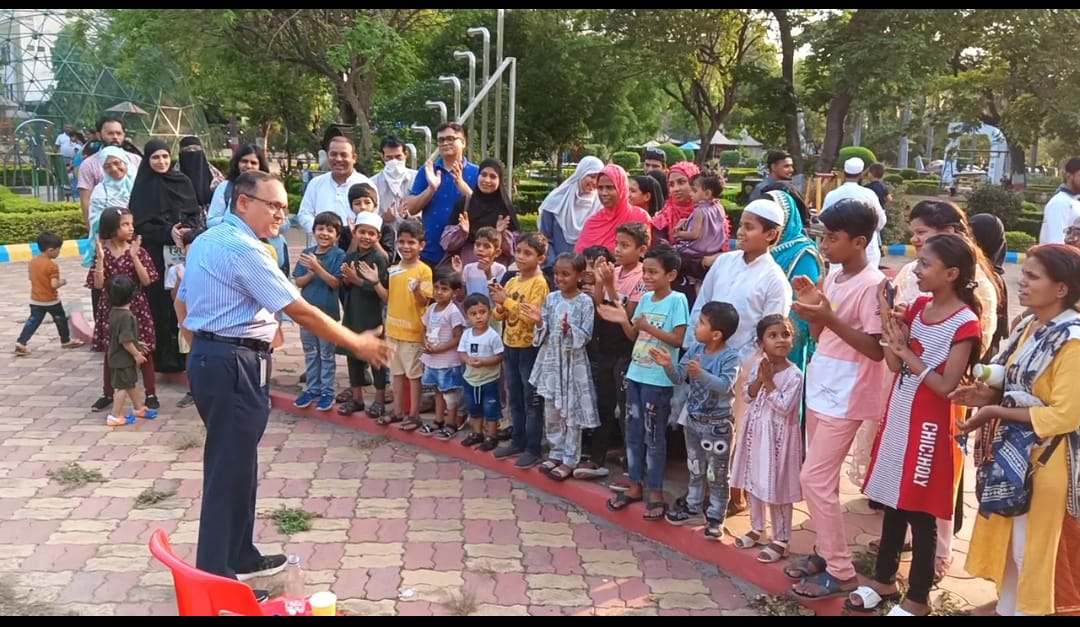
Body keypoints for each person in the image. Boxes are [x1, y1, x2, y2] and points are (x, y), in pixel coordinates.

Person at [174, 170, 391, 594]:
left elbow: (182, 301)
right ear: (241, 202)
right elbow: (302, 311)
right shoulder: (243, 250)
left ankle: (239, 552)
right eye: (271, 205)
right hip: (231, 363)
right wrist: (358, 345)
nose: (280, 214)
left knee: (240, 463)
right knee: (226, 468)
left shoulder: (206, 240)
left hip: (218, 358)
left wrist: (205, 345)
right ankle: (216, 578)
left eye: (283, 207)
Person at [953, 244, 1080, 616]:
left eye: (1033, 277)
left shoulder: (1072, 341)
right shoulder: (1030, 326)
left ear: (1061, 289)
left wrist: (995, 408)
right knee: (1013, 548)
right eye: (1024, 274)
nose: (1021, 284)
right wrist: (987, 392)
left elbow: (1066, 416)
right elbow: (1014, 380)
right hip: (1016, 457)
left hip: (1045, 460)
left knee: (1030, 553)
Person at [655, 301, 741, 539]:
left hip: (718, 426)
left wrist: (700, 374)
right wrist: (667, 366)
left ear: (716, 334)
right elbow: (679, 376)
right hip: (693, 422)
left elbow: (725, 386)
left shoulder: (730, 357)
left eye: (702, 322)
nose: (696, 324)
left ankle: (716, 518)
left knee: (718, 473)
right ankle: (693, 508)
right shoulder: (695, 350)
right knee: (695, 468)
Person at [730, 315, 805, 564]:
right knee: (754, 482)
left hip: (779, 439)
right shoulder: (761, 366)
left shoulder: (795, 375)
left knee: (778, 488)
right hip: (756, 434)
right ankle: (757, 527)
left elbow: (784, 406)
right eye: (773, 336)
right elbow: (747, 394)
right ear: (761, 342)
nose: (780, 340)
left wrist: (770, 382)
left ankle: (781, 539)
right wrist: (761, 379)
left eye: (785, 335)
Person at [524, 252, 599, 482]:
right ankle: (555, 452)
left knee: (571, 413)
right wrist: (538, 321)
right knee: (552, 411)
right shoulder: (552, 298)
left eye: (565, 274)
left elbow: (586, 335)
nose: (559, 278)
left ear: (578, 276)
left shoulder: (585, 302)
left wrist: (569, 330)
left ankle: (570, 458)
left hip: (572, 364)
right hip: (551, 361)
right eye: (556, 273)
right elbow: (543, 328)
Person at [14, 232, 83, 356]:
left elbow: (32, 278)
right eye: (58, 250)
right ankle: (65, 340)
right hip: (51, 300)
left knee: (33, 321)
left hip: (35, 298)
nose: (59, 252)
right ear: (51, 250)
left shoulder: (33, 262)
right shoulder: (52, 266)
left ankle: (21, 342)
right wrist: (63, 282)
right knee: (60, 319)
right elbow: (54, 284)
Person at [104, 275, 159, 428]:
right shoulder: (127, 316)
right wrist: (136, 354)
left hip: (117, 357)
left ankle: (138, 407)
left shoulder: (115, 312)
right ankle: (115, 416)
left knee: (130, 383)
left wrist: (137, 342)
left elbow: (123, 335)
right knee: (122, 387)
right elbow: (125, 340)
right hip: (123, 359)